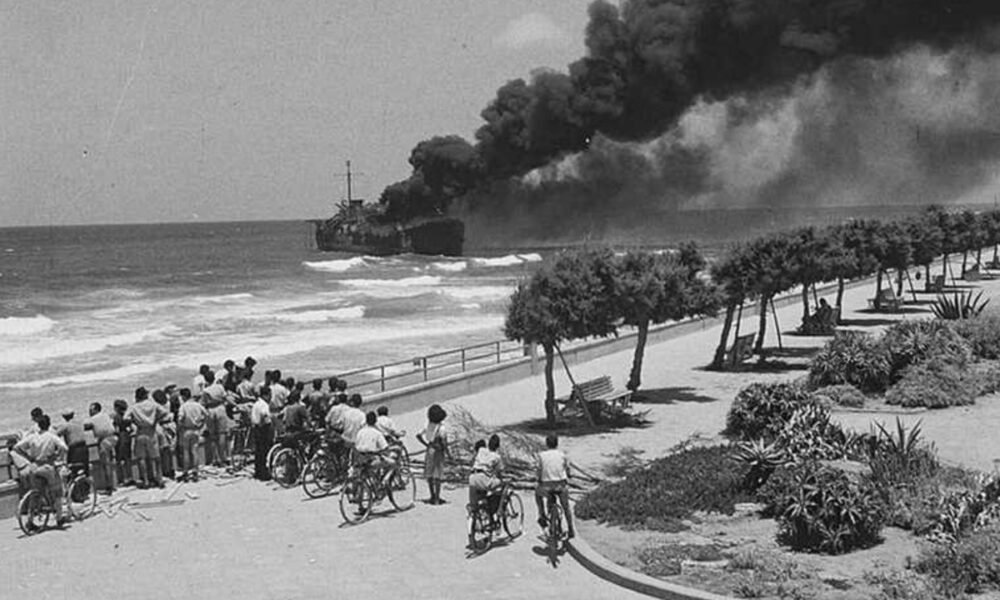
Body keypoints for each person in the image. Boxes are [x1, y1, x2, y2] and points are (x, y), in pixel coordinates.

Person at [12, 414, 68, 527]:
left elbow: (16, 447)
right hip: (47, 467)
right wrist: (57, 456)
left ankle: (30, 520)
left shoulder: (32, 437)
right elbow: (64, 447)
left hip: (34, 467)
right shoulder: (51, 436)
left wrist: (28, 457)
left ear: (38, 425)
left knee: (35, 494)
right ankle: (59, 518)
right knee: (57, 492)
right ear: (48, 425)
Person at [126, 386, 170, 489]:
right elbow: (164, 412)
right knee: (156, 457)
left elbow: (125, 418)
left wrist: (135, 421)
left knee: (141, 458)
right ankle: (159, 478)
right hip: (151, 431)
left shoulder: (134, 407)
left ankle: (146, 481)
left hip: (140, 431)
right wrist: (156, 420)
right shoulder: (153, 404)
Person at [534, 434, 574, 539]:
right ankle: (571, 528)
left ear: (546, 444)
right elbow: (567, 469)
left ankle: (542, 515)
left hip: (546, 486)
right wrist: (569, 475)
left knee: (537, 494)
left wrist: (538, 480)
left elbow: (538, 470)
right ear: (557, 444)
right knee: (566, 507)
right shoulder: (562, 455)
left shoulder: (541, 455)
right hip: (561, 485)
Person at [416, 404, 449, 505]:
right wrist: (448, 454)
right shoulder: (441, 428)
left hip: (429, 450)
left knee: (429, 474)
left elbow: (418, 435)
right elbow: (444, 443)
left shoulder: (427, 425)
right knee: (437, 475)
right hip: (438, 452)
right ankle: (437, 498)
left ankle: (432, 495)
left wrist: (426, 444)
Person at [468, 434, 504, 524]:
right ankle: (499, 510)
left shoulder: (481, 450)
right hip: (484, 480)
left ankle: (475, 512)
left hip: (472, 478)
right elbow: (500, 472)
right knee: (502, 486)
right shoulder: (497, 457)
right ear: (498, 446)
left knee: (475, 503)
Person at [84, 402, 118, 494]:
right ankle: (114, 485)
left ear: (96, 410)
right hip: (113, 439)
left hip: (104, 441)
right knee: (112, 463)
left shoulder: (92, 419)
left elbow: (84, 425)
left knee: (106, 464)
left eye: (91, 410)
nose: (89, 412)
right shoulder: (106, 415)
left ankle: (109, 487)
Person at [177, 387, 208, 482]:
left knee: (186, 451)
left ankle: (186, 472)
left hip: (186, 430)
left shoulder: (183, 406)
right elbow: (206, 414)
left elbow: (180, 418)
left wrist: (180, 427)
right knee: (194, 451)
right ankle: (195, 472)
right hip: (196, 430)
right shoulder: (197, 405)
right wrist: (201, 424)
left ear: (183, 396)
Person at [202, 371, 231, 466]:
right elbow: (226, 398)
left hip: (211, 410)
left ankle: (216, 459)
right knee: (222, 434)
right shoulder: (220, 387)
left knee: (213, 436)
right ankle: (223, 457)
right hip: (220, 409)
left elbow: (204, 403)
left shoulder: (205, 390)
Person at [354, 411, 391, 481]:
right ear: (375, 421)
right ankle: (384, 481)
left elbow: (356, 445)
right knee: (392, 463)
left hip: (360, 459)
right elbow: (385, 448)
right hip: (371, 459)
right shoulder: (377, 433)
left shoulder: (360, 432)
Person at [250, 386, 274, 481]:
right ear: (266, 395)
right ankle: (264, 474)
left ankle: (258, 471)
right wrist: (268, 423)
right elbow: (264, 415)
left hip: (256, 428)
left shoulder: (256, 404)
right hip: (263, 428)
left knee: (258, 451)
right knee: (264, 451)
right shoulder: (264, 405)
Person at [57, 408, 89, 476]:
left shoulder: (66, 425)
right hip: (84, 447)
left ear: (64, 417)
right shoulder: (80, 422)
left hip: (74, 449)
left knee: (73, 469)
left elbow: (57, 434)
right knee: (85, 469)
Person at [153, 390, 177, 479]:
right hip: (171, 425)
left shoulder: (158, 407)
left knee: (164, 450)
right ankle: (171, 468)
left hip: (163, 426)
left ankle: (167, 470)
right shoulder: (168, 403)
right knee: (170, 449)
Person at [113, 399, 136, 487]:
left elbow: (116, 430)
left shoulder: (116, 417)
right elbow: (132, 428)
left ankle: (122, 479)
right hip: (127, 437)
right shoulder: (127, 417)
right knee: (128, 458)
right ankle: (129, 477)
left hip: (120, 438)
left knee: (119, 459)